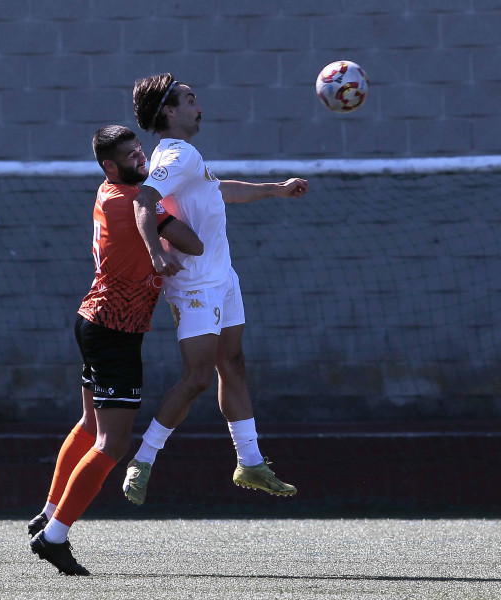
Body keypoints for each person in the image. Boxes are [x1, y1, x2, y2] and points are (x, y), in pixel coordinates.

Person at [123, 73, 309, 505]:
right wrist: (155, 253)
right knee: (198, 377)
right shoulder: (175, 153)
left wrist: (276, 190)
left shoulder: (189, 157)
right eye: (190, 100)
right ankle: (143, 459)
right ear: (169, 111)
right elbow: (143, 200)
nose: (199, 106)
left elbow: (219, 190)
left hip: (223, 277)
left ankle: (250, 462)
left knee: (233, 363)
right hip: (195, 284)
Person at [28, 125, 203, 575]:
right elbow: (193, 242)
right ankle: (54, 536)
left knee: (90, 424)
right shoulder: (131, 200)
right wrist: (187, 198)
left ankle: (48, 513)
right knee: (114, 441)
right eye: (131, 154)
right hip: (114, 330)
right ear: (110, 165)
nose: (142, 159)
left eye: (140, 149)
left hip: (93, 320)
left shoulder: (112, 191)